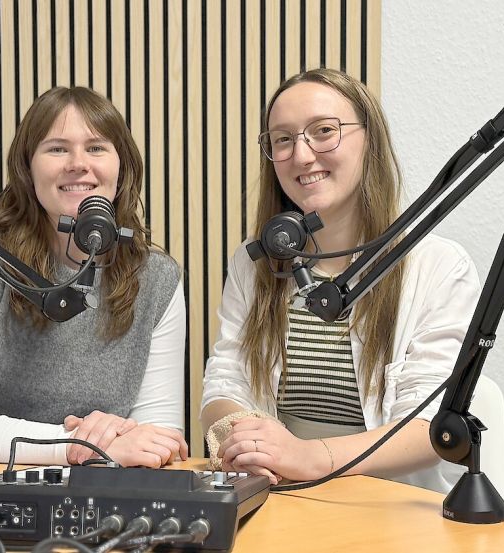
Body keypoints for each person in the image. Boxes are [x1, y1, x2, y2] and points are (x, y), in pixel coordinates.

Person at [201, 68, 481, 492]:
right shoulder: (252, 263)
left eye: (323, 131)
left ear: (370, 139)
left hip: (392, 509)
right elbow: (225, 381)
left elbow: (430, 425)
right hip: (281, 498)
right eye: (282, 139)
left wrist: (309, 457)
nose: (302, 155)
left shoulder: (438, 266)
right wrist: (242, 441)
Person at [0, 86, 188, 468]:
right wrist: (77, 445)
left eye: (96, 148)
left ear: (121, 166)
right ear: (28, 169)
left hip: (107, 505)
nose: (78, 163)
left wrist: (116, 440)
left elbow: (159, 441)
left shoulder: (157, 279)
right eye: (57, 148)